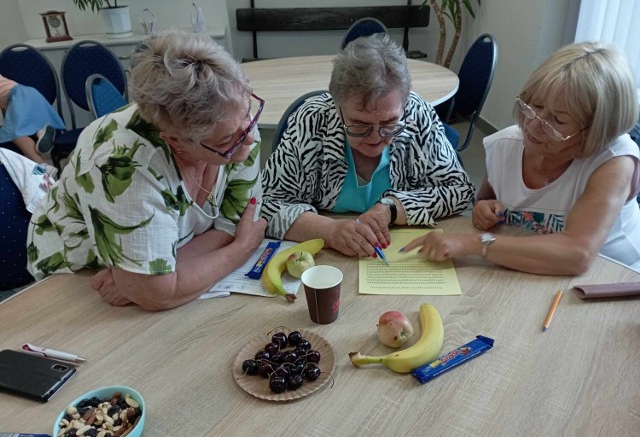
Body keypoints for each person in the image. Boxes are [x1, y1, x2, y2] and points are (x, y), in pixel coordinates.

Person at [27, 30, 267, 310]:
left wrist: (153, 276)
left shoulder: (235, 121)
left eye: (249, 111)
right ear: (174, 140)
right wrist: (241, 249)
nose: (249, 138)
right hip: (81, 277)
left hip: (143, 268)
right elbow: (158, 293)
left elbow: (232, 225)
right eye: (226, 141)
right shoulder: (120, 163)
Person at [402, 42, 640, 274]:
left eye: (558, 120)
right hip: (529, 268)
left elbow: (578, 254)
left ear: (596, 129)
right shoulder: (506, 145)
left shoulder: (615, 162)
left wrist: (475, 243)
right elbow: (486, 204)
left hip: (612, 278)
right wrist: (484, 211)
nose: (533, 125)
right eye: (535, 105)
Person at [261, 33, 474, 258]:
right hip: (326, 258)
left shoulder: (417, 115)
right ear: (337, 105)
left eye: (390, 123)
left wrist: (393, 208)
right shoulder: (310, 120)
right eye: (359, 125)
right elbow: (264, 204)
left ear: (404, 104)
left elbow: (459, 190)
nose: (375, 138)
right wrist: (328, 230)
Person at [0, 74, 64, 164]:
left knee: (13, 133)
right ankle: (40, 132)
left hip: (19, 96)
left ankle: (43, 167)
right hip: (28, 93)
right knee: (24, 130)